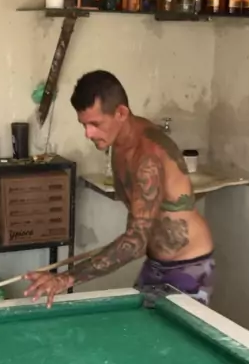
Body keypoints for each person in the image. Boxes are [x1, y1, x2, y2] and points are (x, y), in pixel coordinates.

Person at [25, 70, 214, 307]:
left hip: (188, 267)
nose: (88, 133)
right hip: (155, 263)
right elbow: (138, 231)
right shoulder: (119, 144)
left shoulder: (147, 156)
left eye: (95, 124)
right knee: (137, 326)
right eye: (84, 124)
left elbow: (135, 242)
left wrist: (66, 278)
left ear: (121, 113)